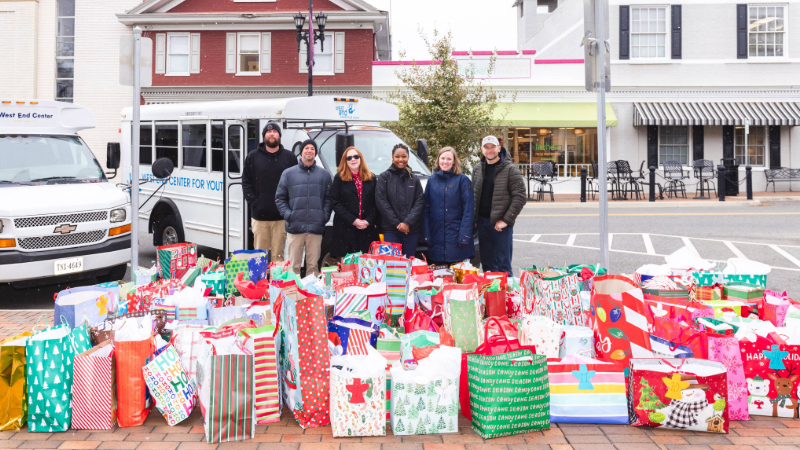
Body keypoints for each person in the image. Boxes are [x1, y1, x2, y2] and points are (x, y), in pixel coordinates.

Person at [241, 120, 297, 262]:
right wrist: (254, 202)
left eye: (275, 132)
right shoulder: (253, 157)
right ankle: (260, 283)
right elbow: (246, 182)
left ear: (279, 136)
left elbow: (296, 184)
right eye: (269, 132)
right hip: (260, 218)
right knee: (259, 258)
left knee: (278, 258)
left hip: (281, 217)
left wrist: (289, 207)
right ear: (264, 136)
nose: (272, 134)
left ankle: (276, 284)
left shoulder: (289, 158)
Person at [275, 139, 332, 277]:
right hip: (295, 227)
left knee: (313, 267)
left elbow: (329, 199)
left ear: (315, 152)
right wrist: (289, 215)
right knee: (294, 266)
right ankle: (293, 295)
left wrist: (323, 217)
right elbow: (280, 198)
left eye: (312, 148)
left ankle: (310, 296)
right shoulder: (288, 174)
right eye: (306, 148)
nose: (309, 151)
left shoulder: (324, 175)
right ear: (301, 152)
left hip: (315, 228)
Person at [472, 135, 526, 274]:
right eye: (486, 147)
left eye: (493, 147)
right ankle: (491, 293)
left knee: (503, 266)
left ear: (499, 148)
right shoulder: (478, 169)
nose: (489, 150)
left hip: (500, 226)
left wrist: (506, 220)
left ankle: (506, 294)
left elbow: (520, 197)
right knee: (487, 265)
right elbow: (475, 196)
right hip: (482, 224)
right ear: (481, 149)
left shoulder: (510, 169)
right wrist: (474, 219)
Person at [422, 147, 475, 266]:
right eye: (443, 158)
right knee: (439, 277)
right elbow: (426, 209)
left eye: (449, 159)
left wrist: (464, 236)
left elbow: (469, 210)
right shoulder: (432, 180)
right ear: (438, 160)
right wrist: (426, 234)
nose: (445, 161)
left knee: (456, 278)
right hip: (437, 237)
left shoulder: (463, 180)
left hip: (456, 237)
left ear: (454, 161)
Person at [375, 143, 424, 259]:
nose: (400, 159)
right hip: (390, 230)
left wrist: (407, 223)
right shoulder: (384, 177)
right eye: (397, 156)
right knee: (391, 264)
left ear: (408, 157)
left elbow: (419, 202)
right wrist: (397, 224)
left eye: (404, 156)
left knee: (408, 263)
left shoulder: (414, 179)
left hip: (411, 230)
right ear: (392, 157)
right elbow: (381, 202)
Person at [329, 146, 379, 259]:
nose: (353, 159)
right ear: (345, 161)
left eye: (356, 156)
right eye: (349, 158)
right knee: (349, 269)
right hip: (346, 229)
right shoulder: (339, 179)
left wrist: (368, 221)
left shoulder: (372, 178)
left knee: (367, 268)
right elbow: (335, 202)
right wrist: (353, 220)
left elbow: (377, 203)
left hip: (367, 231)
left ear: (360, 158)